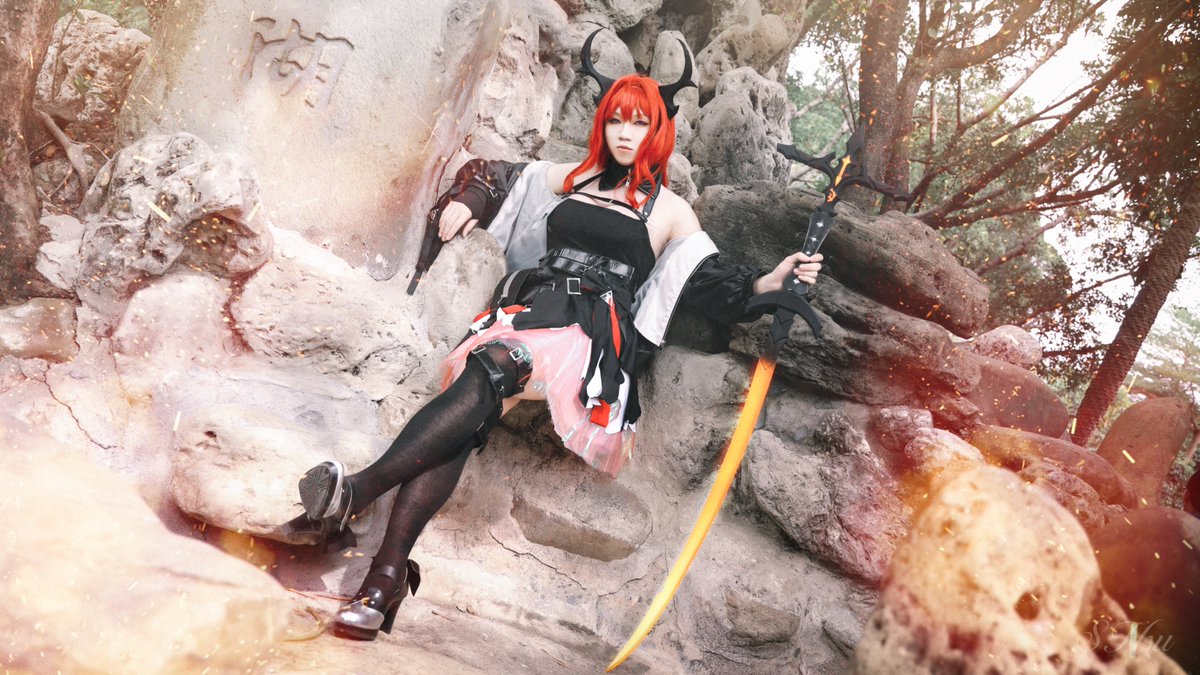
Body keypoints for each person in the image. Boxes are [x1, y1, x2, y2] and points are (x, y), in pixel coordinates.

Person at [282, 31, 823, 641]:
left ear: (657, 132)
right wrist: (472, 197)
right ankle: (382, 585)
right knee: (466, 421)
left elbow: (712, 282)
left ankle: (358, 491)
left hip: (590, 330)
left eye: (639, 123)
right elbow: (501, 175)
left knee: (495, 368)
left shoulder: (670, 210)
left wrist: (773, 279)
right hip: (531, 308)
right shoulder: (575, 178)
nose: (624, 133)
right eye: (615, 119)